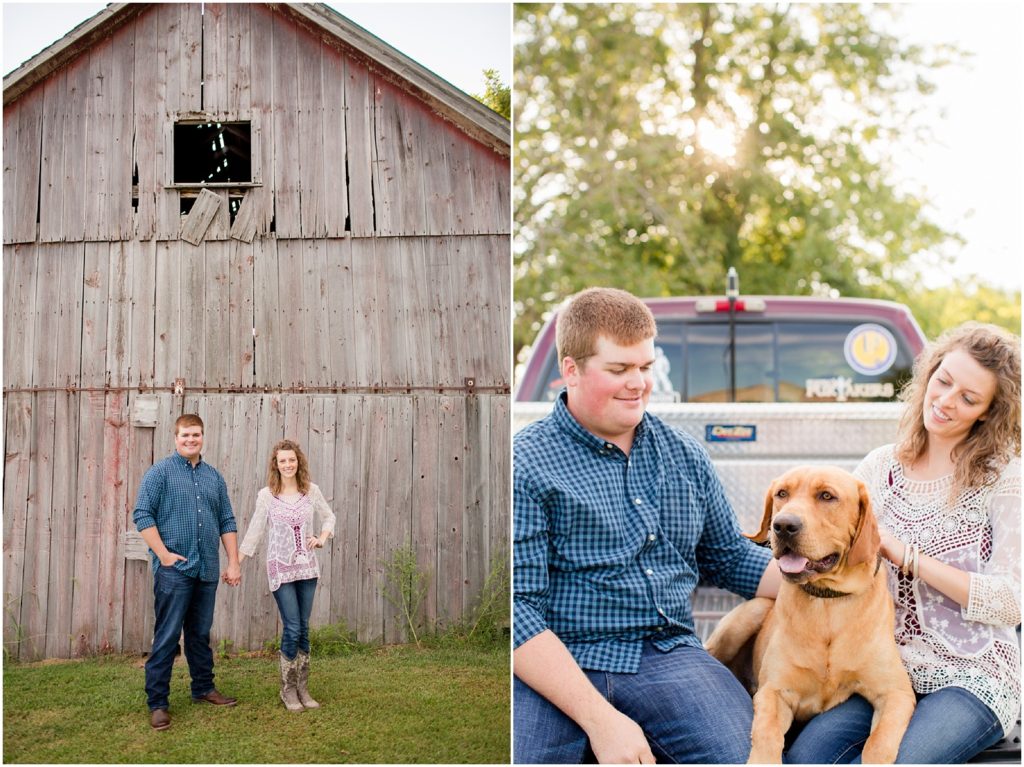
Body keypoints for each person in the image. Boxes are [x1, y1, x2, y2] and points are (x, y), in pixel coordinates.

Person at [513, 287, 781, 764]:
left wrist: (833, 578)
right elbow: (520, 612)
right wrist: (601, 721)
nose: (637, 383)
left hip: (667, 653)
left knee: (747, 756)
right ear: (570, 370)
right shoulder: (526, 463)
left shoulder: (684, 455)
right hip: (559, 658)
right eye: (618, 370)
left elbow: (728, 557)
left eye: (645, 367)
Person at [786, 322, 1021, 764]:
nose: (946, 401)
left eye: (968, 398)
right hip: (883, 670)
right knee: (806, 757)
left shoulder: (1006, 478)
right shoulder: (879, 467)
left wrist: (907, 555)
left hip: (973, 678)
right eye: (943, 381)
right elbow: (831, 549)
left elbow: (1011, 602)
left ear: (988, 412)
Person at [133, 413, 241, 731]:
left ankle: (204, 688)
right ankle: (157, 704)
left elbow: (227, 521)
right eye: (185, 435)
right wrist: (163, 554)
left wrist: (233, 561)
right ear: (175, 438)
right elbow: (141, 514)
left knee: (199, 635)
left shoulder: (213, 478)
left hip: (207, 569)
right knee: (167, 637)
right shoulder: (160, 473)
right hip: (174, 571)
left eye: (196, 435)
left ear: (203, 437)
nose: (191, 440)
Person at [239, 439, 336, 712]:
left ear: (298, 462)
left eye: (291, 460)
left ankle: (303, 688)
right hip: (280, 569)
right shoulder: (267, 496)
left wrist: (321, 538)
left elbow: (329, 517)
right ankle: (287, 690)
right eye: (283, 461)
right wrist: (237, 561)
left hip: (307, 569)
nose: (288, 464)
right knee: (292, 627)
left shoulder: (311, 491)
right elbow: (256, 531)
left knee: (303, 628)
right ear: (276, 465)